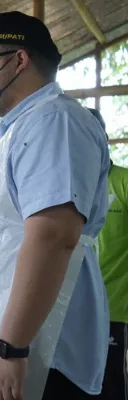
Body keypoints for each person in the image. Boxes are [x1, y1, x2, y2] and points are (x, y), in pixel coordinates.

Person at [0, 11, 110, 400]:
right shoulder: (27, 127)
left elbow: (54, 235)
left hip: (41, 351)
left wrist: (12, 347)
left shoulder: (53, 122)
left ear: (19, 59)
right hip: (22, 341)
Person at [89, 107, 128, 400]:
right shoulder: (66, 184)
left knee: (111, 384)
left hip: (115, 310)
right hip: (71, 310)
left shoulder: (124, 182)